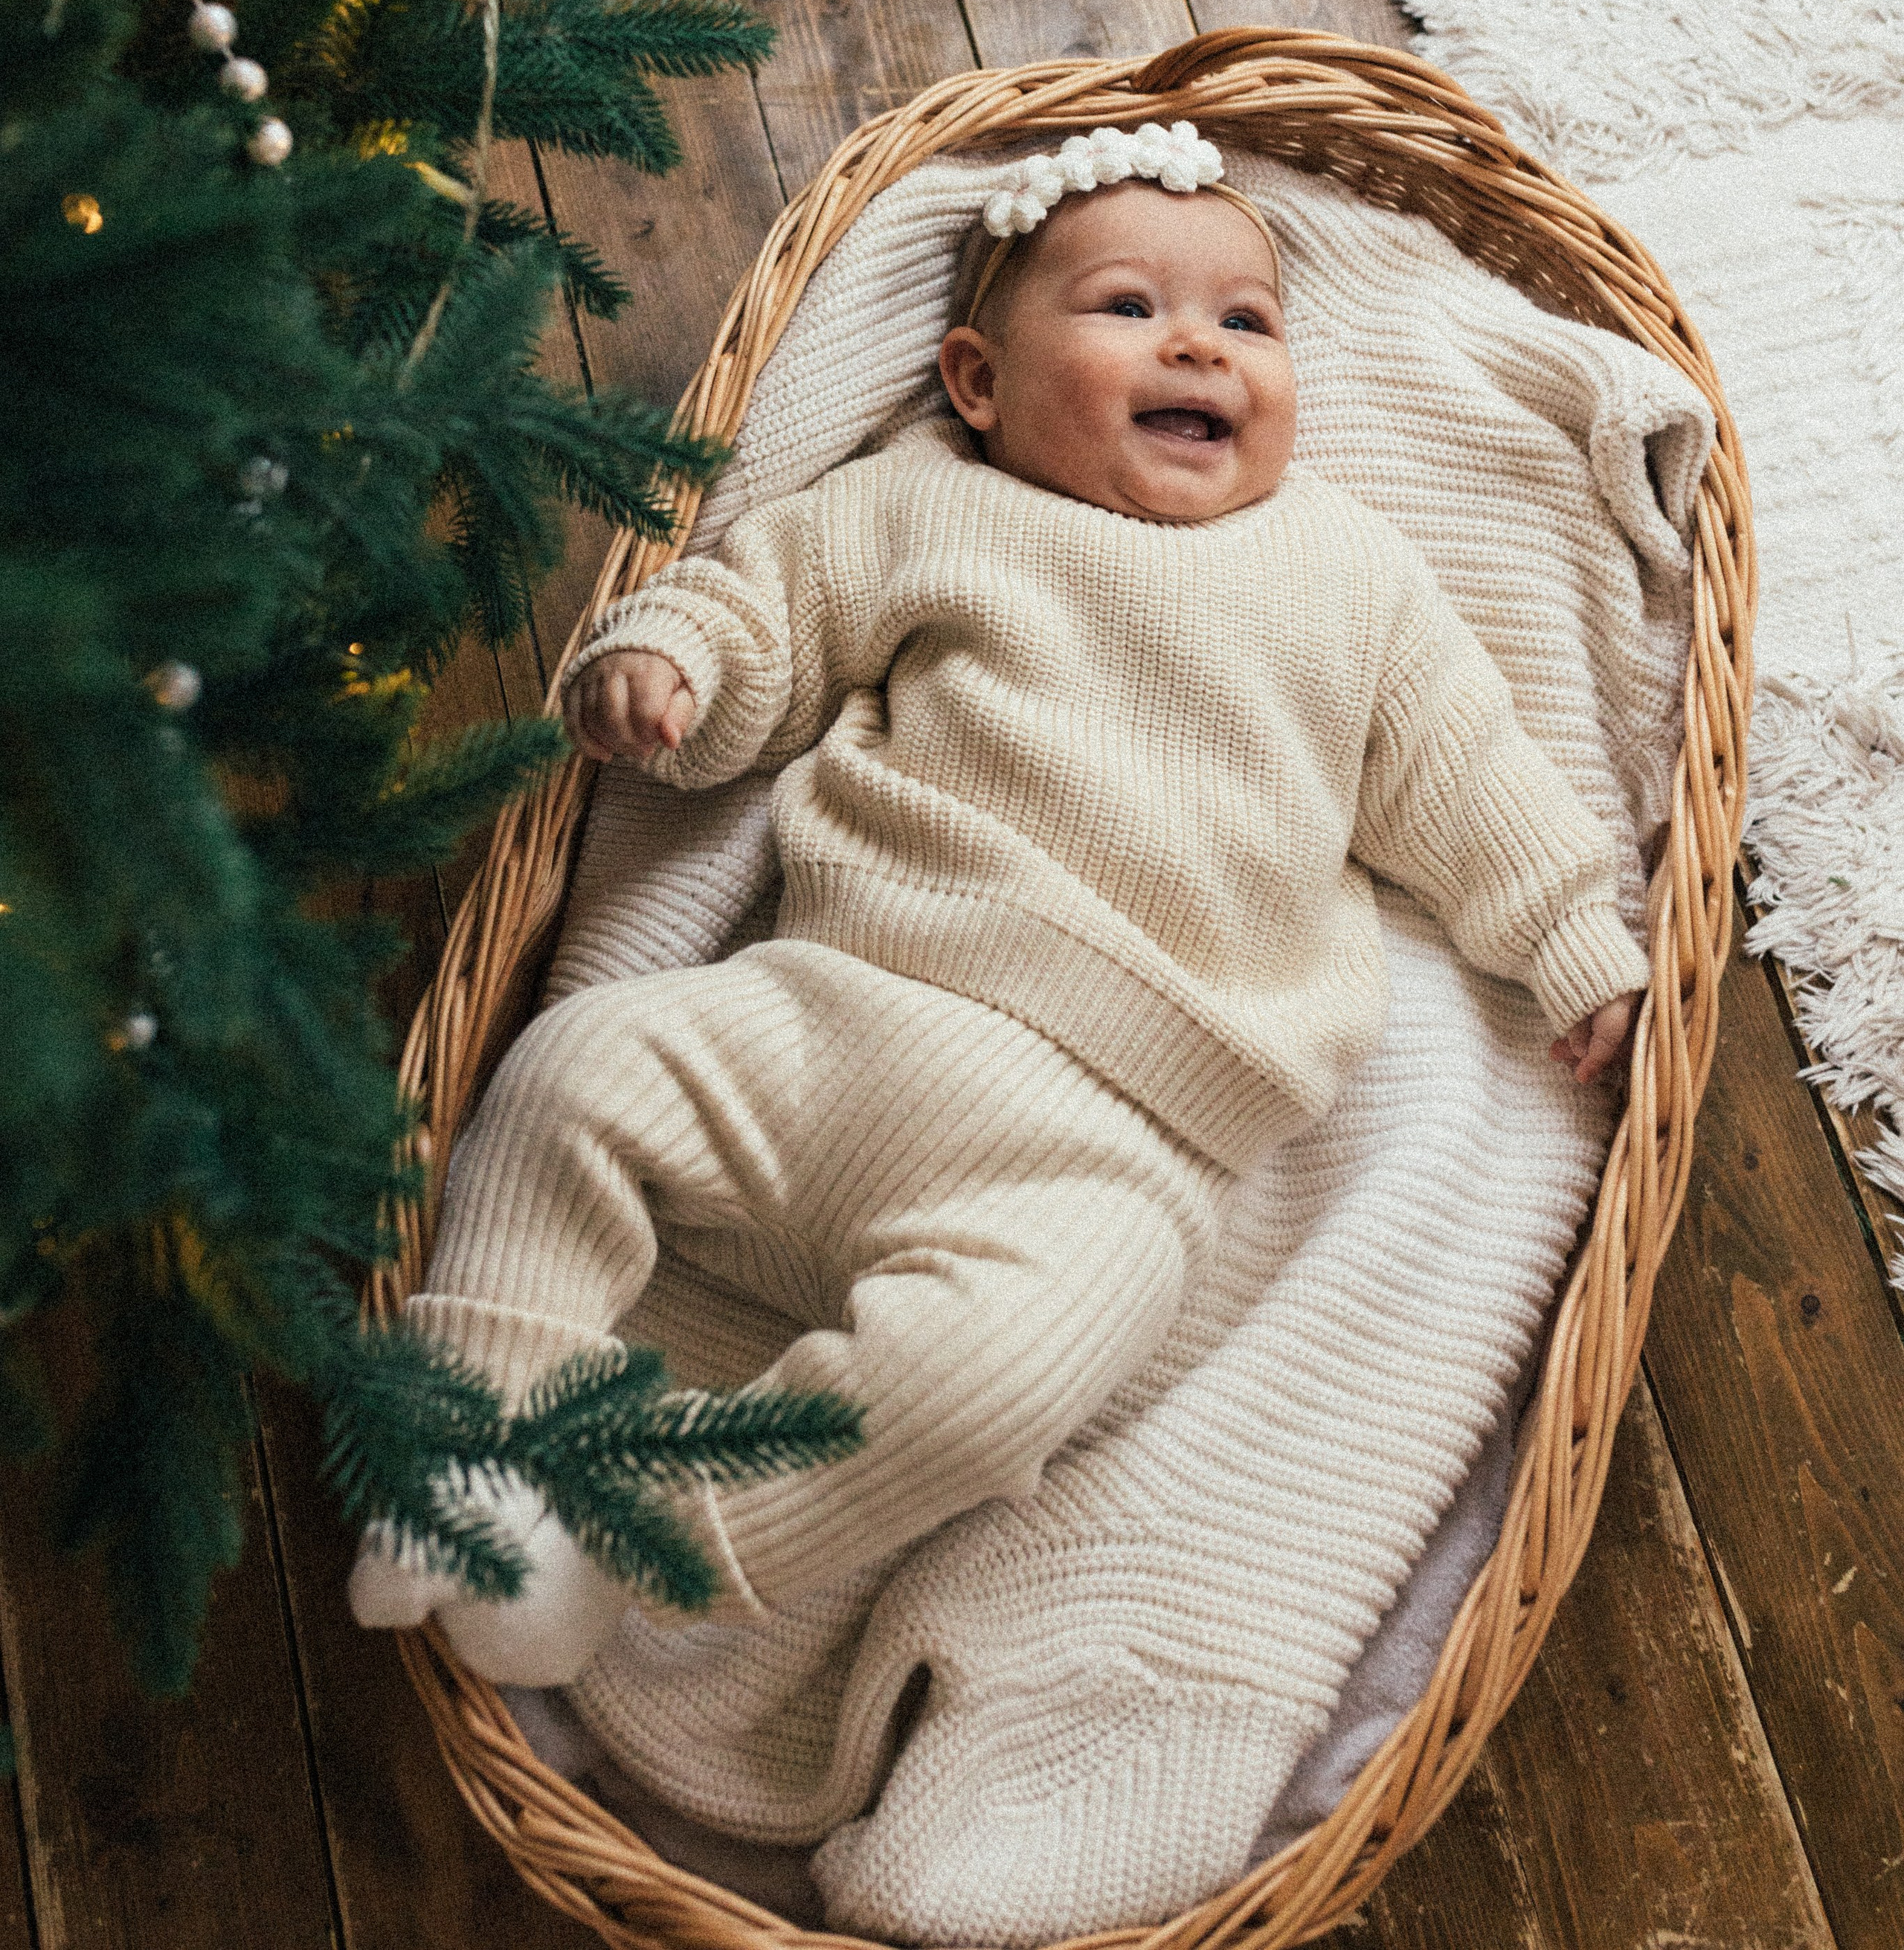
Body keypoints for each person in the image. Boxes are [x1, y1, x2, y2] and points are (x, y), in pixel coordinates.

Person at [351, 120, 1646, 1683]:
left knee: (997, 1387)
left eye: (1247, 322)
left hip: (1101, 1146)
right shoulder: (928, 503)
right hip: (835, 1013)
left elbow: (1470, 781)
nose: (1198, 345)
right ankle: (465, 1448)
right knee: (573, 1075)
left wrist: (1571, 940)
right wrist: (676, 664)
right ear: (975, 384)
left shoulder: (1349, 577)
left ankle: (631, 1530)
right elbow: (768, 594)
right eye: (1124, 309)